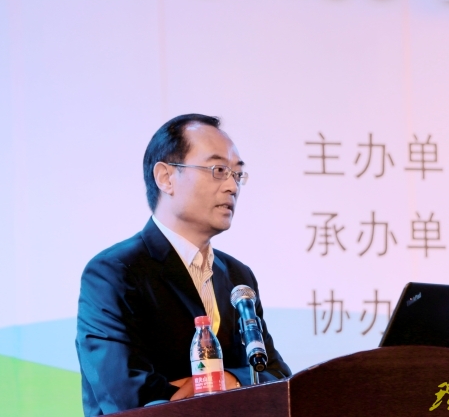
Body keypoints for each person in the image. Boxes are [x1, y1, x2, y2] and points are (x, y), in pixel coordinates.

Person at [75, 114, 291, 416]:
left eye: (237, 174)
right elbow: (129, 397)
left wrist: (223, 381)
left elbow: (277, 377)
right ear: (165, 177)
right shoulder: (114, 273)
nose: (232, 186)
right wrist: (231, 389)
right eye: (218, 170)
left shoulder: (238, 277)